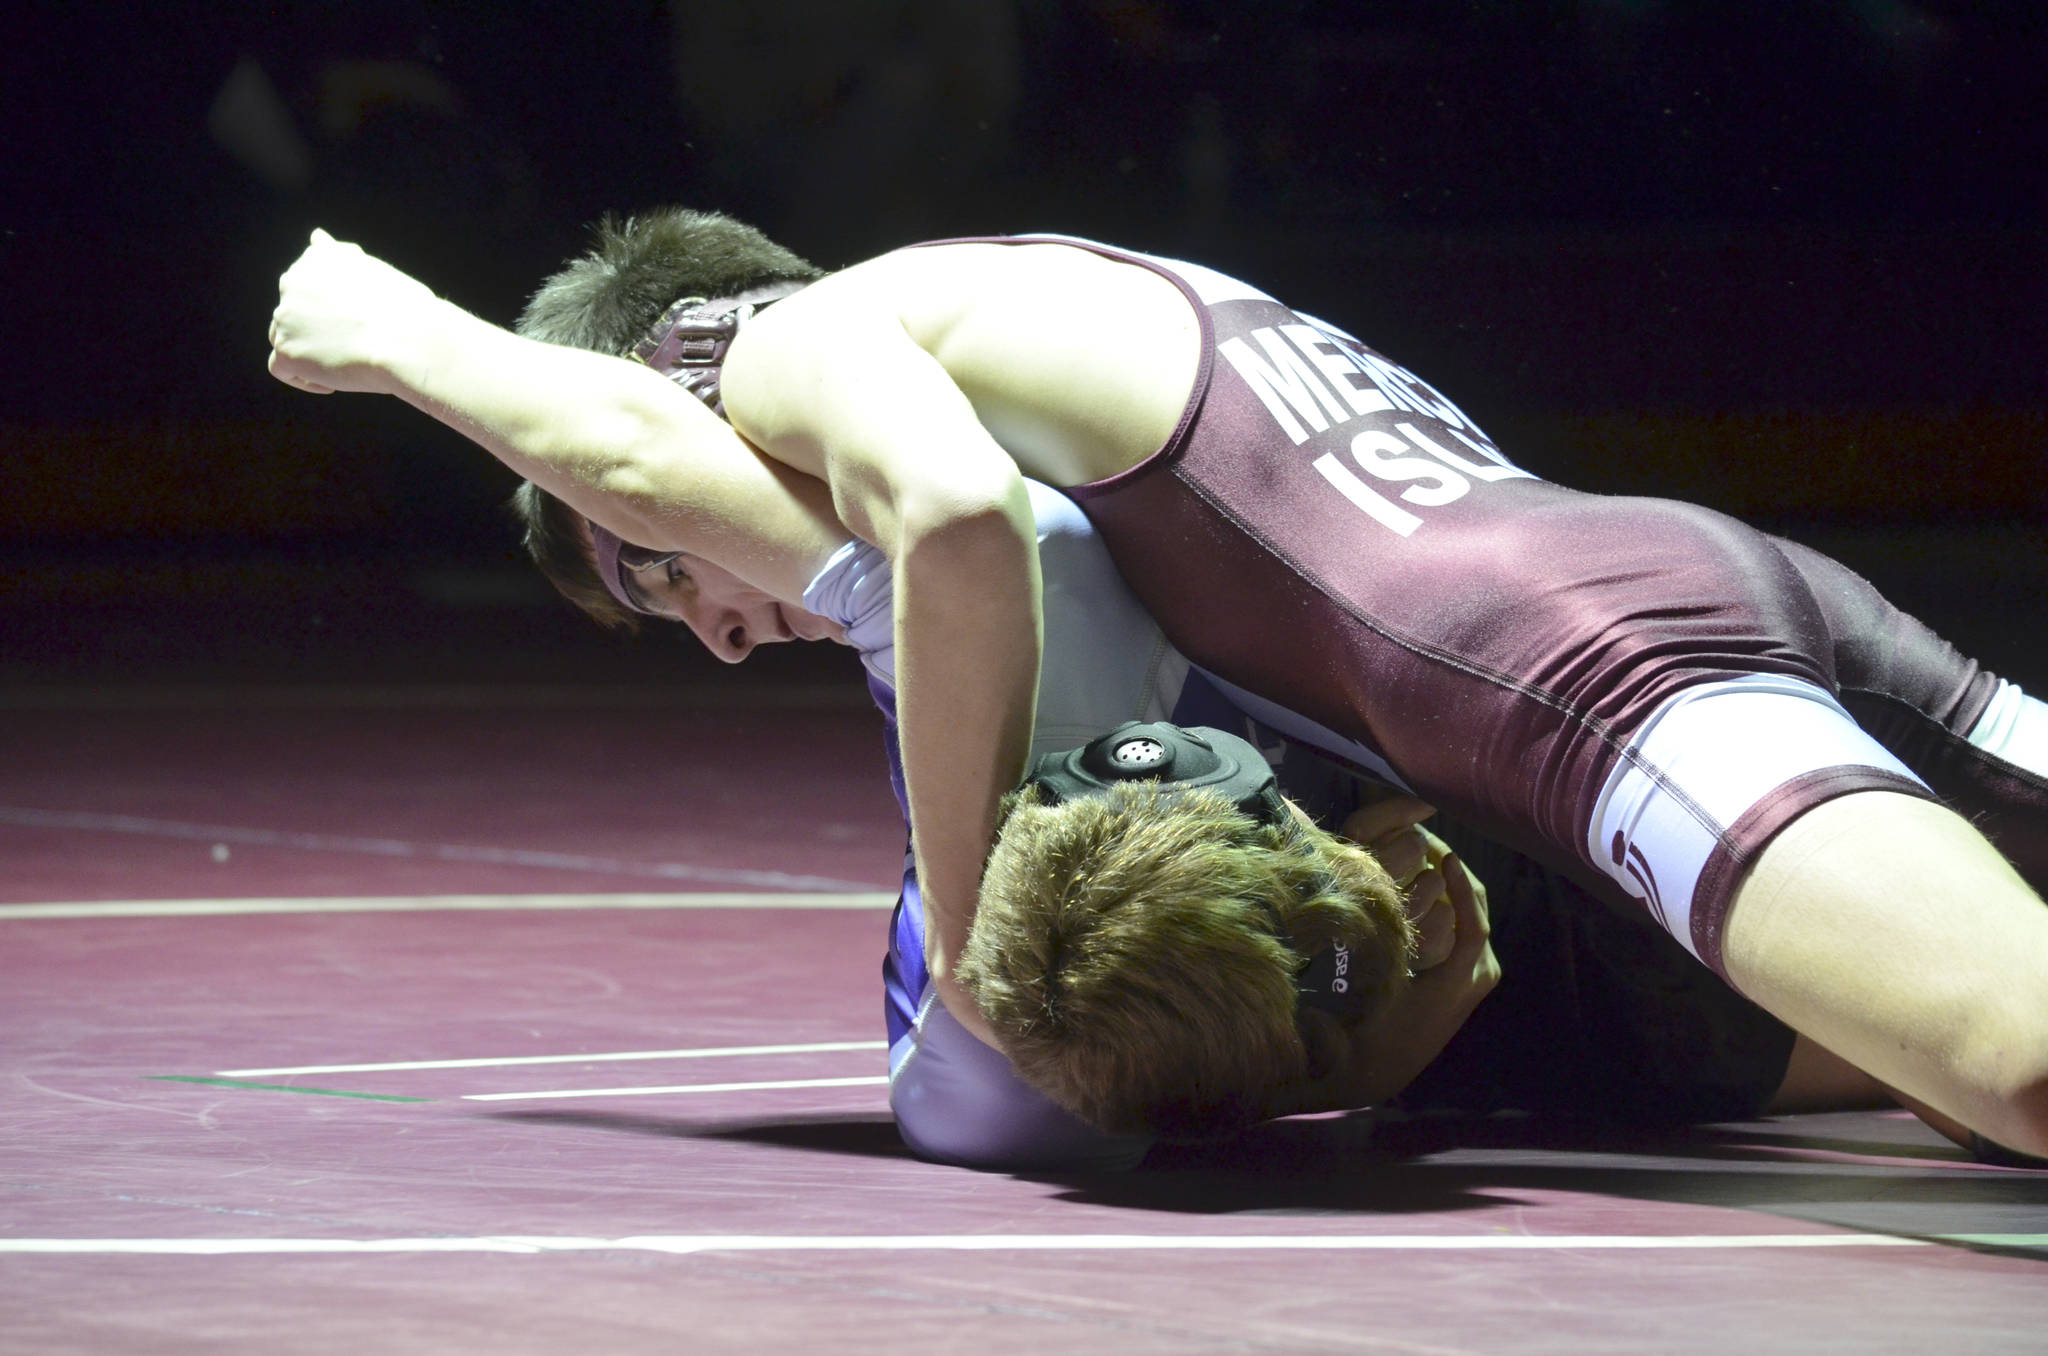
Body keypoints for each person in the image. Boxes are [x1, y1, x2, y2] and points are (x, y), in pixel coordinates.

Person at [266, 211, 2048, 1159]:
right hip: (1688, 598)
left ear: (668, 371)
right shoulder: (1058, 300)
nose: (716, 633)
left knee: (2027, 1067)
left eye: (658, 578)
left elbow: (953, 528)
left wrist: (413, 345)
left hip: (1575, 681)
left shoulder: (791, 342)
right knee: (1973, 1091)